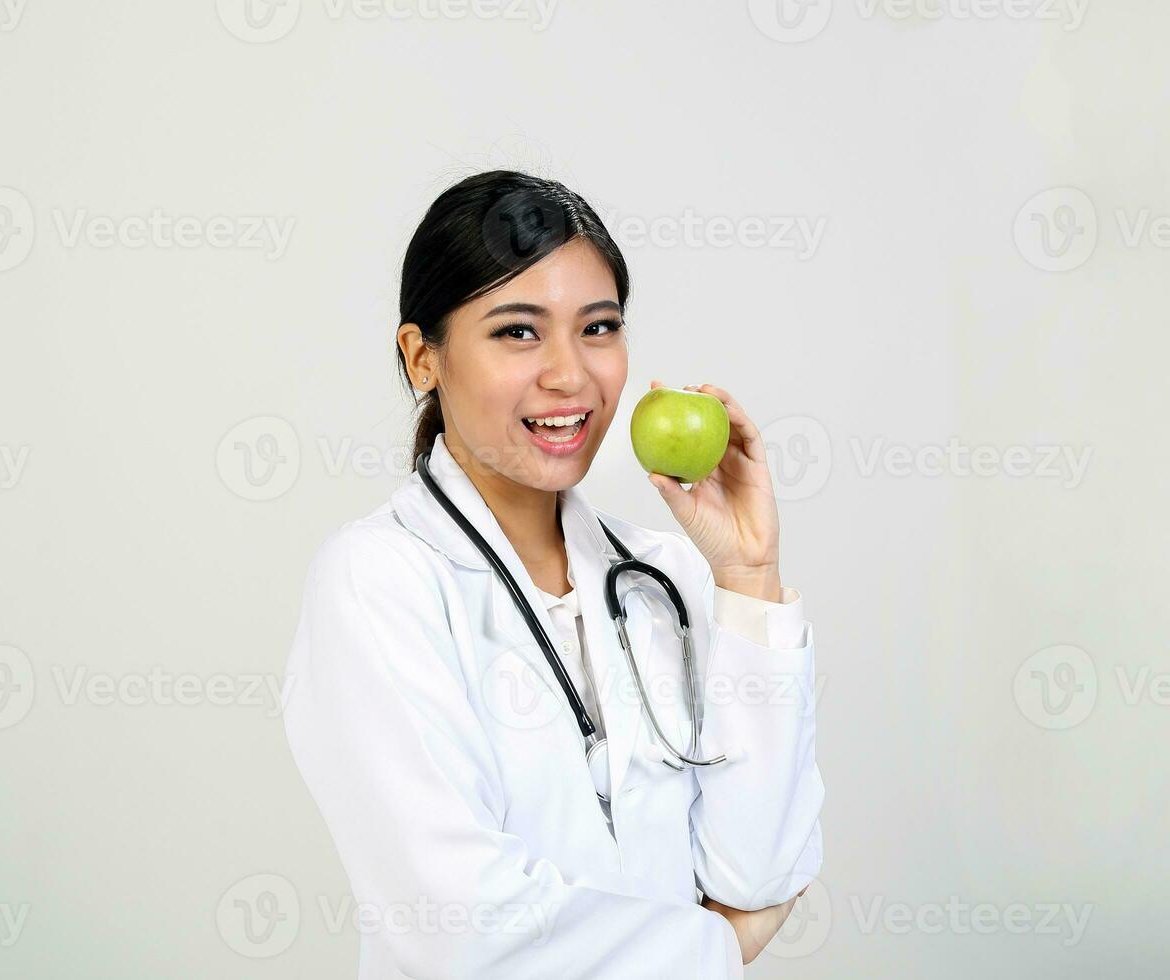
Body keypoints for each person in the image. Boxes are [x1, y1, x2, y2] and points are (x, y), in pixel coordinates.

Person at [282, 171, 823, 978]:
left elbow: (764, 868)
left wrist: (748, 576)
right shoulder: (378, 583)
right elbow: (459, 925)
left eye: (598, 327)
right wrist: (722, 945)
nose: (570, 375)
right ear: (422, 356)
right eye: (518, 332)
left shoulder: (666, 577)